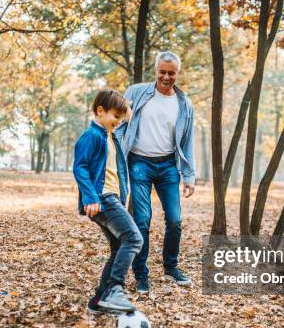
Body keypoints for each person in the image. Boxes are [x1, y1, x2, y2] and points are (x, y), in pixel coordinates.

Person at [120, 51, 195, 294]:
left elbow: (187, 142)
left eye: (171, 73)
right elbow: (119, 124)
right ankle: (141, 274)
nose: (166, 77)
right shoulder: (136, 92)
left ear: (177, 73)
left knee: (175, 220)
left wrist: (189, 176)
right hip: (139, 162)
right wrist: (114, 157)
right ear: (156, 71)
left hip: (167, 166)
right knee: (142, 220)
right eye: (162, 72)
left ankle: (171, 267)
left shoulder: (184, 103)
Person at [72, 89, 143, 314]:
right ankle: (115, 289)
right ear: (100, 111)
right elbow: (80, 167)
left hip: (112, 199)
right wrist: (90, 197)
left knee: (119, 247)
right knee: (133, 238)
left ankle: (99, 301)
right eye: (115, 117)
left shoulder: (111, 137)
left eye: (121, 119)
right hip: (102, 199)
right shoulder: (92, 136)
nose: (118, 122)